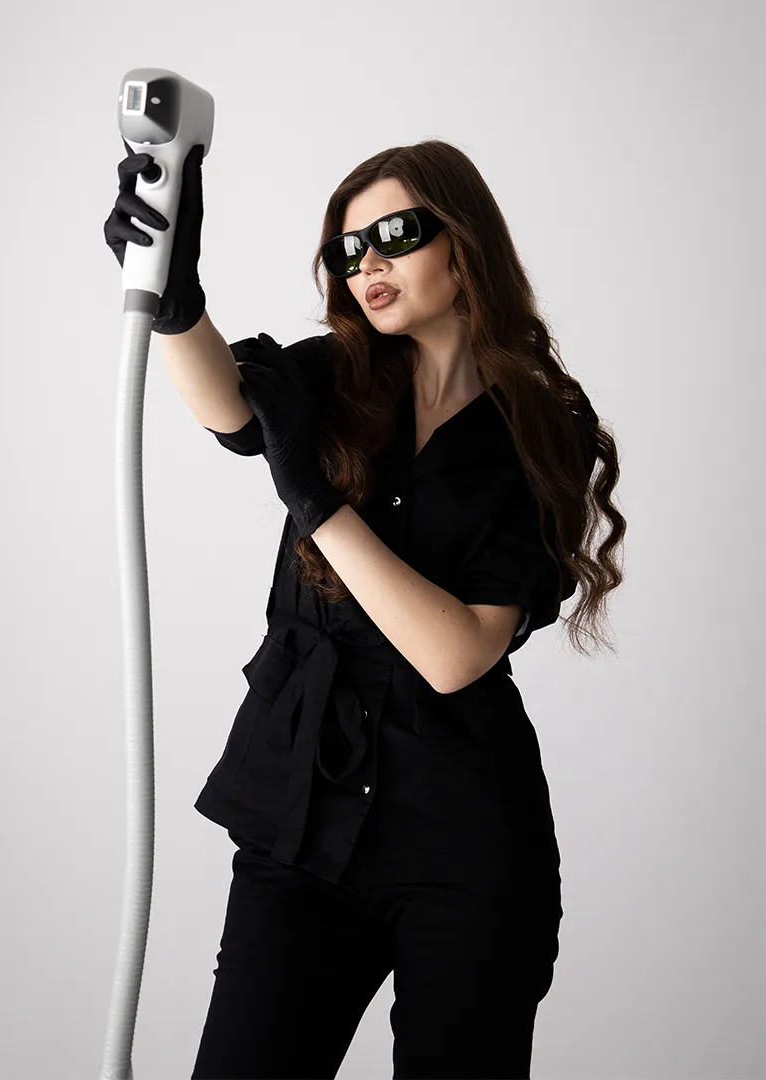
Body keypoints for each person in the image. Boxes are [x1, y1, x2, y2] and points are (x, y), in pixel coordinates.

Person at [104, 139, 626, 1078]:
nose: (366, 264)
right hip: (302, 822)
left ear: (463, 242)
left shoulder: (543, 429)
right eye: (348, 249)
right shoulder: (335, 375)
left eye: (394, 235)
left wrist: (316, 503)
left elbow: (457, 654)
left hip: (466, 846)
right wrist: (178, 299)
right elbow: (228, 405)